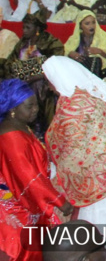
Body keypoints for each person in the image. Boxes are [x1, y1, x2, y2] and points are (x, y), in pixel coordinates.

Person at [42, 57, 106, 261]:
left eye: (49, 79)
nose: (49, 86)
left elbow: (72, 149)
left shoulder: (73, 105)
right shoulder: (87, 94)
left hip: (99, 173)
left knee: (102, 216)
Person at [0, 79, 72, 261]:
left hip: (24, 199)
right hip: (17, 205)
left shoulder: (20, 126)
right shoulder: (12, 139)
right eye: (29, 106)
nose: (36, 110)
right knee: (24, 249)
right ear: (12, 109)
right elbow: (30, 179)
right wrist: (59, 201)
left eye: (35, 105)